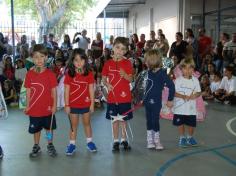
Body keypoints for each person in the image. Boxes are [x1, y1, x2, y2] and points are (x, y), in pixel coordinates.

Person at [24, 44, 58, 157]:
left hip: (48, 109)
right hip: (34, 109)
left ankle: (50, 144)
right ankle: (36, 145)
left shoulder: (50, 74)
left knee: (49, 129)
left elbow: (54, 91)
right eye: (36, 57)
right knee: (36, 129)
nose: (39, 59)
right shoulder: (29, 74)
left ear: (46, 57)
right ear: (32, 59)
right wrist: (27, 106)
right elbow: (28, 91)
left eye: (42, 56)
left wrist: (54, 105)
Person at [102, 37, 133, 152]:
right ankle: (115, 140)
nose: (120, 51)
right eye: (118, 48)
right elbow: (104, 79)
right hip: (112, 98)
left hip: (125, 98)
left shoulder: (127, 63)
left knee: (123, 120)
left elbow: (130, 79)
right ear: (113, 47)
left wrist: (125, 75)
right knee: (114, 120)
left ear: (125, 51)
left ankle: (124, 139)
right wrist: (107, 84)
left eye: (123, 49)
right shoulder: (107, 63)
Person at [64, 48, 97, 155]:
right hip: (73, 105)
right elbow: (66, 90)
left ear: (85, 61)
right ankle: (72, 144)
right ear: (72, 61)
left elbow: (91, 89)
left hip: (86, 104)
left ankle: (89, 142)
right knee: (74, 125)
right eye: (76, 60)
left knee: (87, 123)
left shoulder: (89, 73)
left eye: (81, 60)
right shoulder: (69, 73)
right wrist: (67, 105)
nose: (79, 63)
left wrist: (92, 103)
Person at [143, 49, 175, 150]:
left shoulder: (162, 74)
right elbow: (142, 87)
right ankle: (150, 140)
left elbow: (172, 86)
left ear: (152, 61)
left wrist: (170, 100)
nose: (145, 62)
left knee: (155, 120)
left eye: (147, 60)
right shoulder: (146, 73)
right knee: (149, 120)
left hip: (156, 102)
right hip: (147, 102)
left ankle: (157, 140)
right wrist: (140, 98)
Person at [173, 58, 201, 147]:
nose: (188, 70)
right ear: (181, 69)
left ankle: (190, 137)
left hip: (191, 108)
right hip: (179, 108)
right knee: (180, 124)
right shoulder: (178, 80)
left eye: (190, 68)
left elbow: (198, 92)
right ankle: (182, 137)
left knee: (192, 124)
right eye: (185, 68)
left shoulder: (195, 80)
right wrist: (183, 96)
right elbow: (173, 93)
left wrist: (195, 95)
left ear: (193, 69)